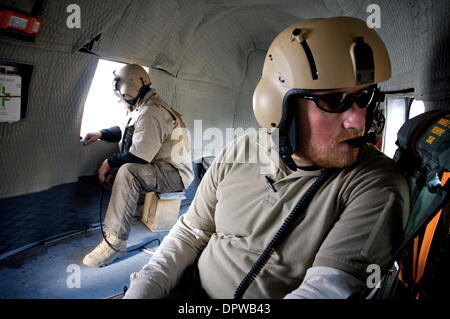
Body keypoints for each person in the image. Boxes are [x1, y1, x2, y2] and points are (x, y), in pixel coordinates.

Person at [122, 17, 410, 299]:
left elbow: (323, 291)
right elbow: (191, 233)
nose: (357, 119)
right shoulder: (240, 150)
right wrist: (146, 286)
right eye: (334, 101)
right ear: (279, 107)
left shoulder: (375, 184)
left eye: (365, 97)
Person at [82, 64, 194, 268]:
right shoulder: (143, 105)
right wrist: (101, 134)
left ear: (129, 89)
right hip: (160, 167)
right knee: (120, 168)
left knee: (127, 171)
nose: (120, 99)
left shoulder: (152, 111)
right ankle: (135, 207)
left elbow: (140, 157)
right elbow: (127, 129)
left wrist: (109, 162)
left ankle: (115, 242)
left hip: (175, 174)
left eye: (121, 94)